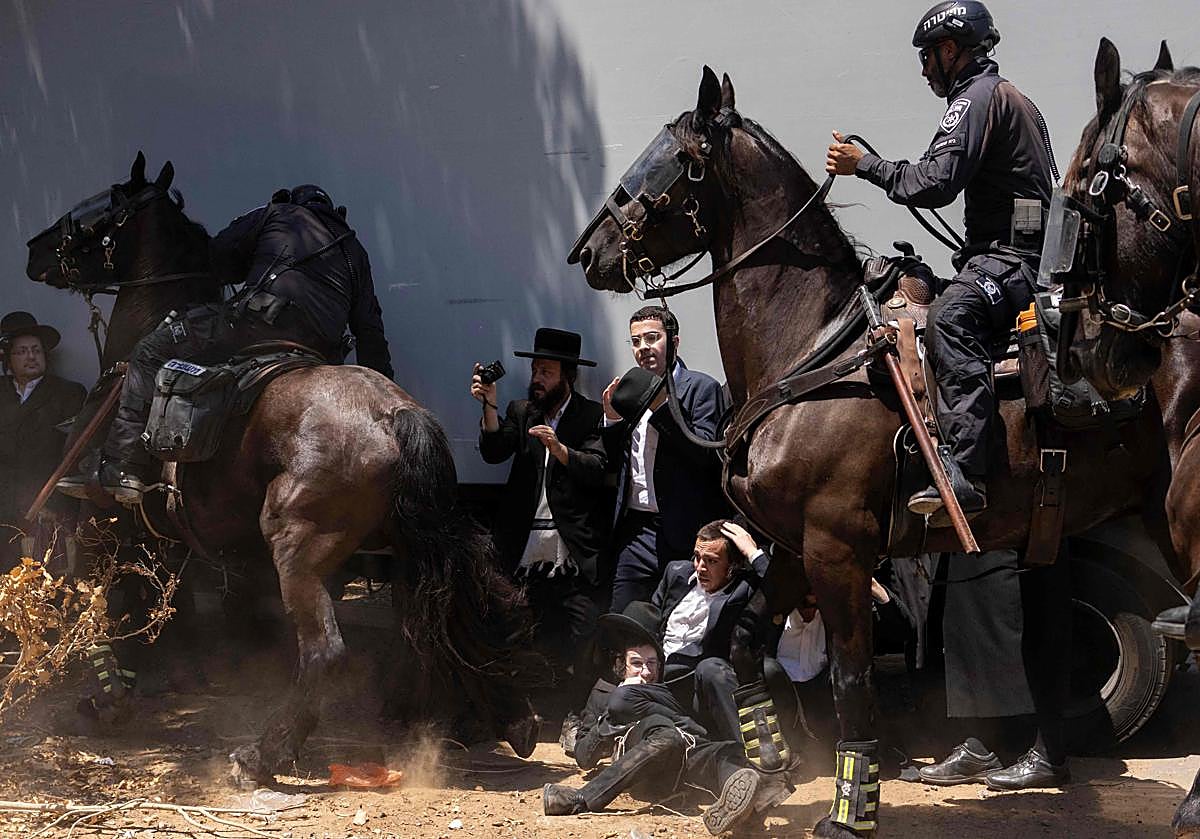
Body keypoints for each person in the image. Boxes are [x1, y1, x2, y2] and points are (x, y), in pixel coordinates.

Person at [826, 0, 1054, 518]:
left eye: (927, 57)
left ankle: (966, 473)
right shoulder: (1011, 97)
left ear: (950, 50)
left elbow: (936, 182)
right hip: (1018, 256)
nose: (924, 69)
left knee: (951, 319)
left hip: (1012, 262)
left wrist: (866, 165)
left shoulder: (974, 99)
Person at [57, 184, 394, 505]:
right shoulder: (355, 251)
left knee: (149, 352)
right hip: (317, 353)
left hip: (256, 327)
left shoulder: (276, 213)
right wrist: (383, 396)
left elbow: (216, 259)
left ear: (295, 201)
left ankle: (122, 464)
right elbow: (370, 329)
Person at [545, 603, 791, 834]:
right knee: (667, 734)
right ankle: (581, 799)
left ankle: (748, 809)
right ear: (621, 665)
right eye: (637, 663)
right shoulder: (604, 694)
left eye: (652, 663)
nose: (646, 672)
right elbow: (584, 757)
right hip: (643, 773)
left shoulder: (667, 692)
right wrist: (611, 717)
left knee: (723, 753)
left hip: (683, 763)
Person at [472, 327, 607, 694]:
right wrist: (490, 404)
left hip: (571, 550)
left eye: (546, 372)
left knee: (582, 631)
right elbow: (494, 451)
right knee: (523, 626)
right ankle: (528, 702)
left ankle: (576, 709)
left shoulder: (591, 415)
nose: (537, 380)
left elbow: (597, 468)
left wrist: (560, 450)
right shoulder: (522, 411)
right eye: (535, 371)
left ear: (567, 375)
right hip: (526, 546)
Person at [601, 306, 727, 611]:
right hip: (635, 530)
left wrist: (662, 408)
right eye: (636, 341)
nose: (643, 348)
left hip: (682, 531)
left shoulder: (701, 388)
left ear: (674, 342)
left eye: (652, 338)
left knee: (678, 621)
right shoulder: (629, 390)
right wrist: (611, 420)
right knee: (622, 617)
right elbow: (614, 463)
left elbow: (706, 454)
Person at [652, 519, 769, 741]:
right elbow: (652, 621)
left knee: (710, 668)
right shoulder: (676, 573)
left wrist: (753, 552)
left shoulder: (743, 590)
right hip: (658, 682)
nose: (700, 567)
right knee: (622, 696)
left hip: (698, 689)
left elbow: (779, 589)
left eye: (711, 561)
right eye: (697, 557)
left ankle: (752, 757)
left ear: (732, 566)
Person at [0, 312, 86, 568]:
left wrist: (55, 503)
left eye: (36, 350)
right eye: (22, 351)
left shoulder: (68, 394)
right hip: (3, 502)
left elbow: (73, 453)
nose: (31, 357)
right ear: (7, 358)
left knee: (46, 581)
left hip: (45, 504)